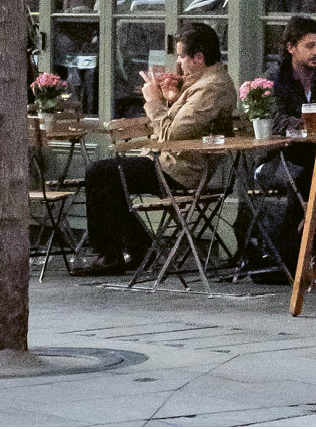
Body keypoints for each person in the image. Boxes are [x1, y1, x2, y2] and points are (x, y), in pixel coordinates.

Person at [71, 20, 244, 275]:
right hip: (171, 163)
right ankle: (136, 245)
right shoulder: (202, 83)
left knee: (100, 173)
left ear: (198, 57)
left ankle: (112, 253)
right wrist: (171, 99)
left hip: (182, 170)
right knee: (108, 177)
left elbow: (170, 136)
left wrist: (153, 101)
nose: (179, 64)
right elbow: (180, 124)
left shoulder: (212, 87)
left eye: (181, 57)